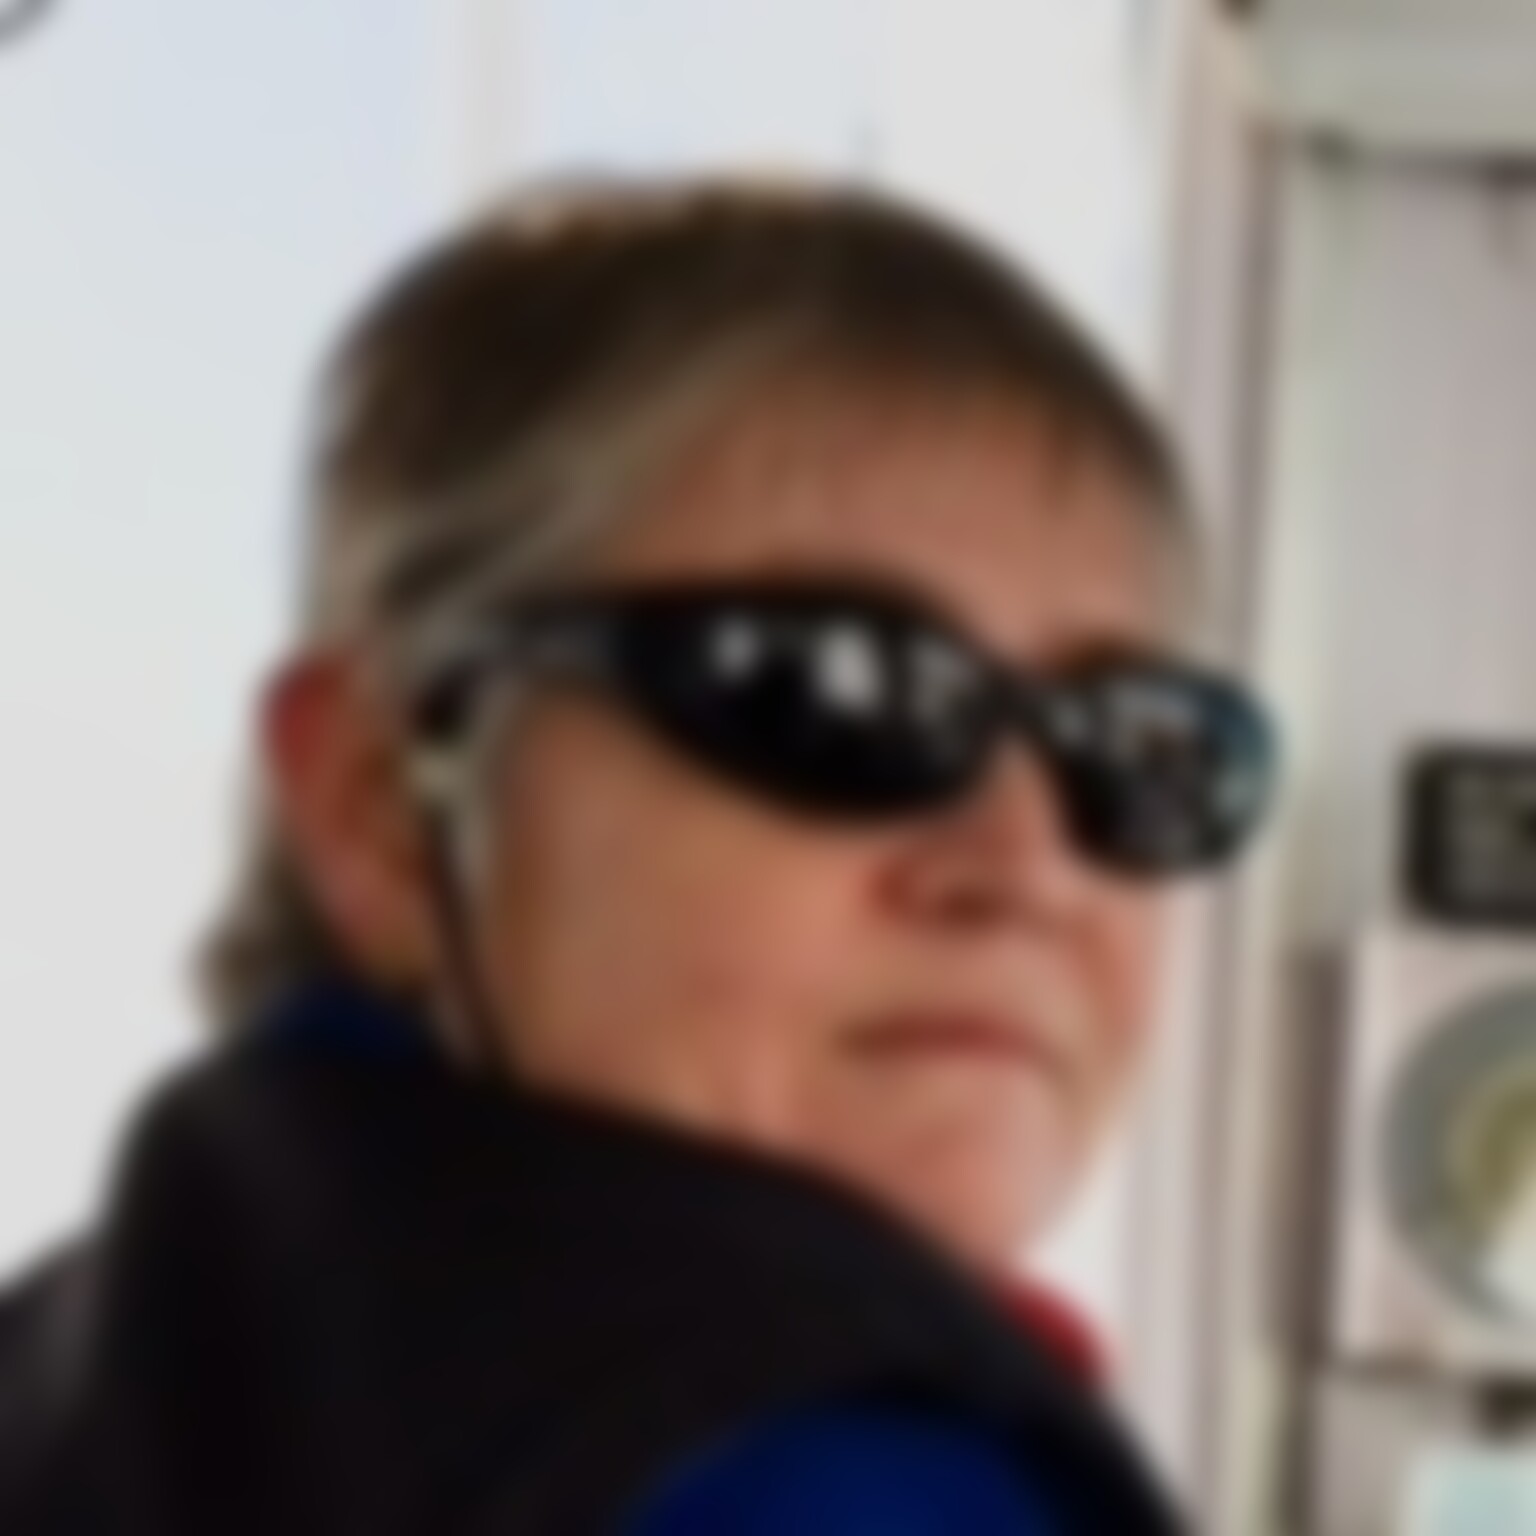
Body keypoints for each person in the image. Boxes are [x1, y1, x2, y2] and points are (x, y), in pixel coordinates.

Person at [0, 176, 1277, 1533]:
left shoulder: (102, 1363)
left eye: (1138, 747)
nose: (1029, 869)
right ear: (384, 806)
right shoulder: (816, 1471)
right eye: (828, 690)